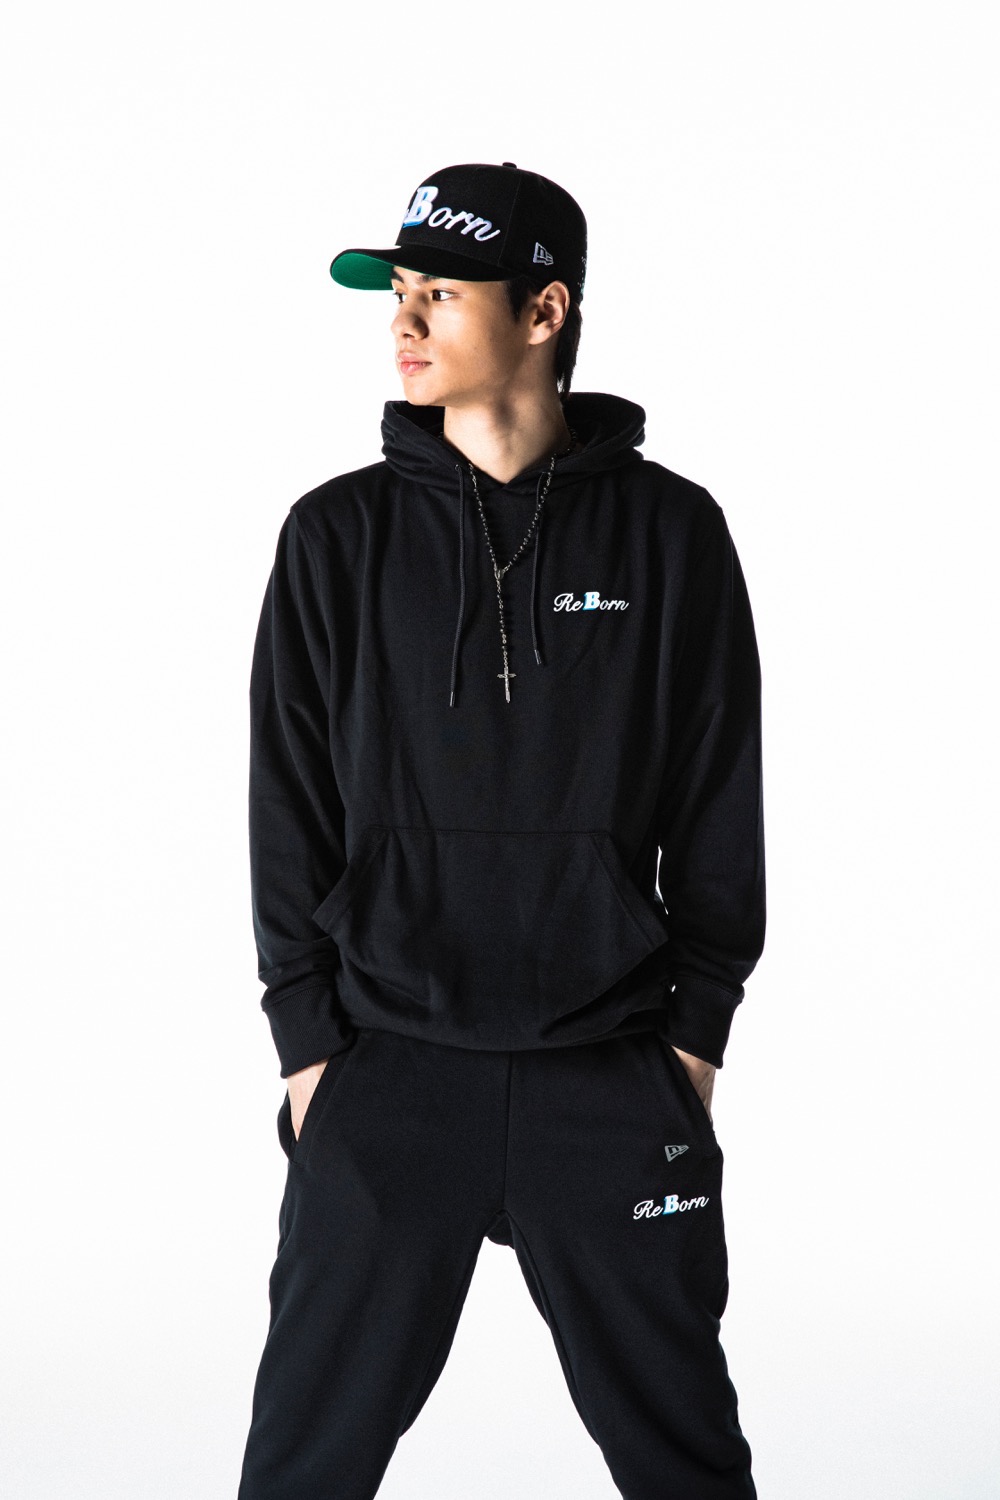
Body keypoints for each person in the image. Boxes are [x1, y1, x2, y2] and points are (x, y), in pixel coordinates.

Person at [237, 160, 766, 1500]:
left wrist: (693, 1040)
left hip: (613, 1069)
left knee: (688, 1463)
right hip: (386, 1068)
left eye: (441, 293)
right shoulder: (335, 539)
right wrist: (310, 1052)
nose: (404, 321)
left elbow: (720, 798)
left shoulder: (673, 534)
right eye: (399, 292)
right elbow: (287, 809)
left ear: (544, 311)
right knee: (302, 1467)